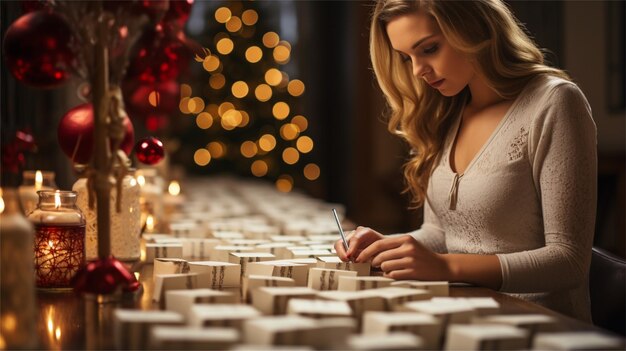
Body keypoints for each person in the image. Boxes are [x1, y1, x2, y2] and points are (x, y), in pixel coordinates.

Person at [335, 0, 597, 322]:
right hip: (461, 317)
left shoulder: (554, 103)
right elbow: (440, 234)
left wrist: (446, 267)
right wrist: (388, 248)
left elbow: (568, 262)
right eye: (407, 58)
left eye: (429, 49)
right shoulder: (446, 111)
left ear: (473, 27)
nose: (417, 70)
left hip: (538, 327)